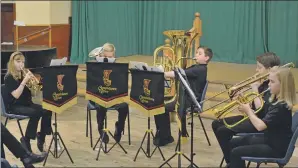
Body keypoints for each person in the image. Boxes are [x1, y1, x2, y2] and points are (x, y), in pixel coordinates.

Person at [211, 52, 280, 166]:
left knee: (223, 130)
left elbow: (262, 110)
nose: (256, 70)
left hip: (261, 123)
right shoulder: (263, 84)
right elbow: (255, 107)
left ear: (270, 69)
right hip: (253, 117)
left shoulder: (272, 87)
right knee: (216, 124)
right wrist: (243, 101)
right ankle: (233, 161)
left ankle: (232, 162)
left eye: (259, 67)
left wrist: (254, 90)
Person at [228, 66, 296, 168]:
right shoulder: (275, 100)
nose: (268, 84)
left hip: (276, 148)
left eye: (272, 82)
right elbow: (261, 119)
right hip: (269, 139)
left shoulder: (281, 106)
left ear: (283, 85)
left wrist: (248, 111)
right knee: (232, 143)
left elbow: (260, 126)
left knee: (235, 152)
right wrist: (245, 104)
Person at [153, 46, 213, 146]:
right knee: (160, 106)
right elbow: (181, 73)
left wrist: (162, 73)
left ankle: (165, 136)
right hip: (184, 98)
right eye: (196, 52)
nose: (196, 55)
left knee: (160, 108)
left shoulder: (201, 69)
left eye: (199, 53)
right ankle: (165, 135)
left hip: (189, 101)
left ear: (206, 58)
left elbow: (180, 73)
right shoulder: (197, 67)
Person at [3, 51, 52, 153]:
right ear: (12, 62)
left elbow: (35, 93)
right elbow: (16, 95)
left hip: (27, 104)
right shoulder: (8, 77)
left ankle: (41, 136)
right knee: (35, 113)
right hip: (14, 106)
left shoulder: (23, 74)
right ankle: (26, 140)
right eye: (18, 61)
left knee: (48, 109)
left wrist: (34, 82)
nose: (21, 64)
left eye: (23, 62)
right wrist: (25, 81)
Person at [89, 42, 129, 143]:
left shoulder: (118, 68)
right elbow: (91, 85)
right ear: (101, 55)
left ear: (114, 56)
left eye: (110, 57)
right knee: (100, 105)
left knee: (124, 106)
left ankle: (119, 129)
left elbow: (121, 85)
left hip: (113, 96)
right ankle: (101, 129)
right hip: (98, 95)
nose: (108, 60)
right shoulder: (95, 66)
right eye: (106, 57)